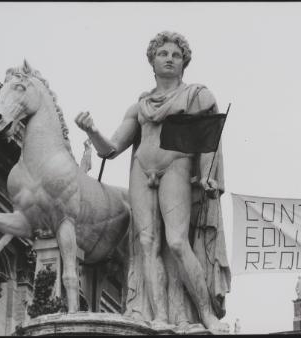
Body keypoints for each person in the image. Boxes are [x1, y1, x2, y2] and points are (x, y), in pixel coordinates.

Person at [75, 31, 230, 332]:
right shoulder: (139, 106)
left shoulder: (196, 96)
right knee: (146, 244)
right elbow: (110, 149)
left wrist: (210, 175)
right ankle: (158, 318)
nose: (169, 58)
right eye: (163, 54)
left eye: (175, 54)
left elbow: (210, 140)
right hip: (140, 169)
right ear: (152, 61)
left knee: (176, 242)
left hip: (176, 166)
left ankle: (206, 313)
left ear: (184, 62)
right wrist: (92, 130)